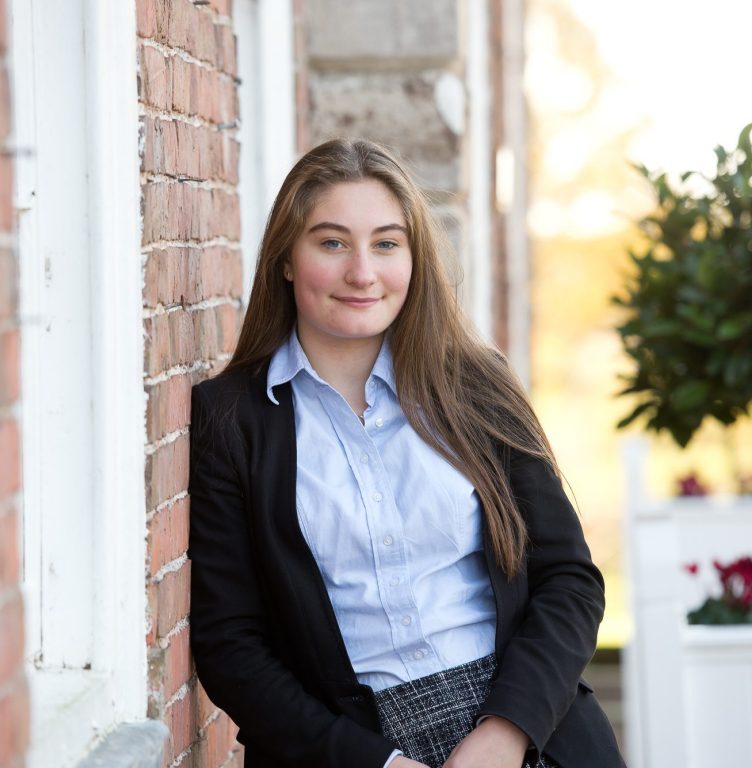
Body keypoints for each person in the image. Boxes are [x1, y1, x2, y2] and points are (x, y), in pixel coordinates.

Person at [187, 138, 626, 768]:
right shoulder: (232, 418)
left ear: (414, 258)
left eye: (387, 244)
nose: (362, 273)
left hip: (529, 732)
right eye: (332, 242)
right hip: (346, 748)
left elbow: (570, 581)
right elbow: (231, 644)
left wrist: (503, 736)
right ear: (287, 258)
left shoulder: (475, 386)